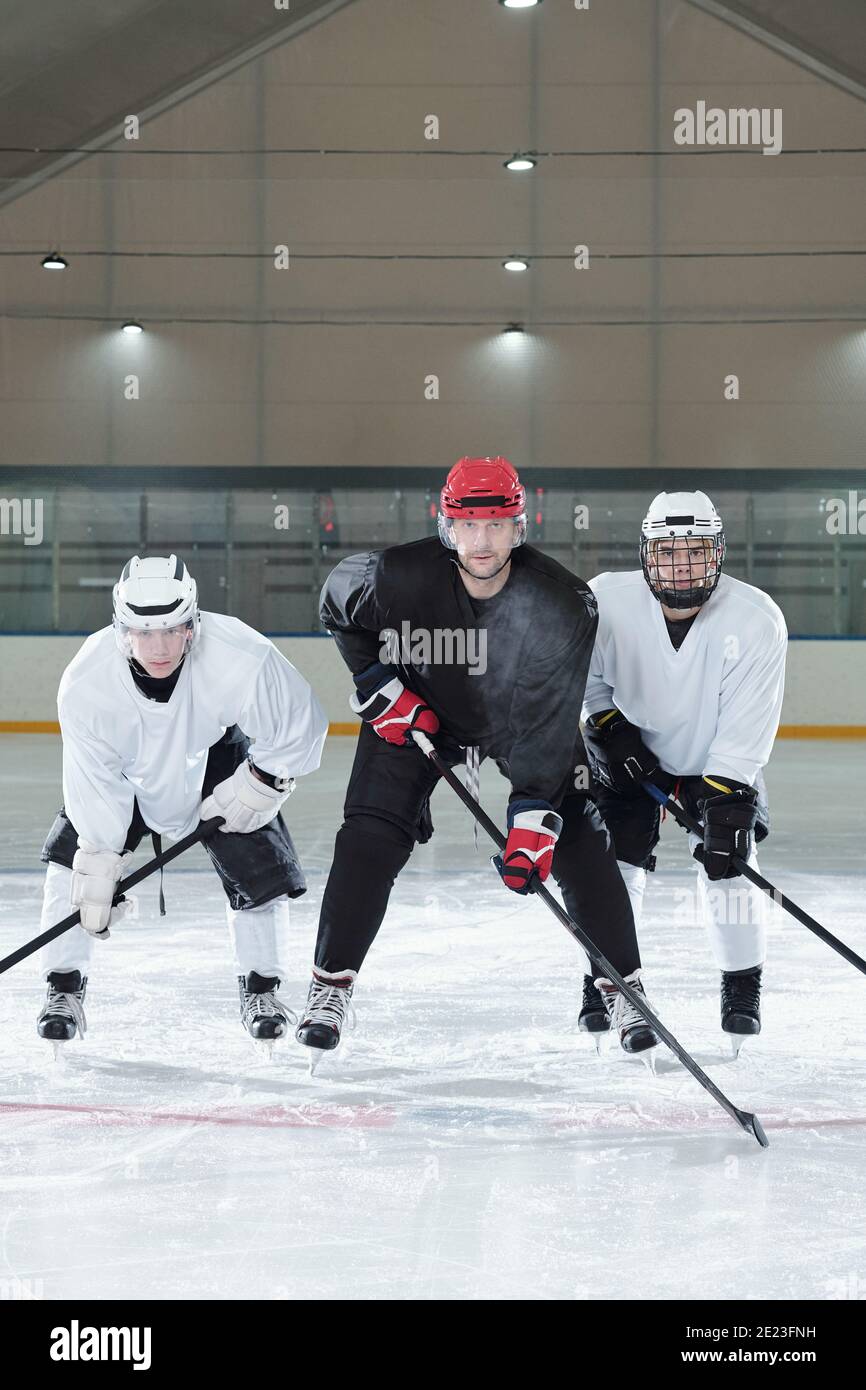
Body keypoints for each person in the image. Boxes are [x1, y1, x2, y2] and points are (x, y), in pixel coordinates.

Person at [295, 456, 659, 1063]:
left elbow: (548, 721)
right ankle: (328, 986)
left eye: (496, 523)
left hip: (517, 721)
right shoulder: (398, 576)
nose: (482, 539)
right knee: (369, 835)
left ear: (520, 526)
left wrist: (535, 816)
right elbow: (337, 601)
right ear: (447, 526)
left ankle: (622, 986)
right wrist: (379, 682)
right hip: (416, 712)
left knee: (578, 837)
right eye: (469, 524)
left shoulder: (564, 603)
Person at [35, 554, 327, 1050]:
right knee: (76, 863)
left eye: (173, 630)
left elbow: (299, 723)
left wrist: (260, 781)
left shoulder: (238, 652)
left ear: (193, 624)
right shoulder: (87, 682)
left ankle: (261, 989)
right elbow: (91, 781)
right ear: (121, 630)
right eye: (144, 632)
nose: (161, 646)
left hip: (215, 752)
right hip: (122, 773)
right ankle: (63, 987)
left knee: (257, 864)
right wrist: (102, 855)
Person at [581, 491, 787, 1049]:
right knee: (612, 865)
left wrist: (723, 803)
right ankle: (605, 978)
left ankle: (742, 985)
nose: (682, 565)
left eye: (694, 552)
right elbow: (587, 680)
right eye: (669, 553)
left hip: (717, 760)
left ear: (716, 553)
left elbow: (748, 726)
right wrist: (607, 727)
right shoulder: (605, 601)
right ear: (647, 555)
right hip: (632, 757)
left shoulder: (756, 619)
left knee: (730, 864)